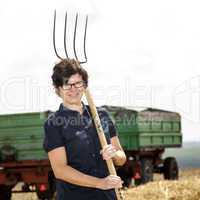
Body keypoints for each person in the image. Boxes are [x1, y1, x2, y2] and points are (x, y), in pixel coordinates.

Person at [43, 59, 127, 200]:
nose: (73, 89)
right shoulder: (53, 124)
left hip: (108, 196)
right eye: (67, 84)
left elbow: (121, 158)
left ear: (84, 86)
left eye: (77, 83)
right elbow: (60, 170)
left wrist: (114, 155)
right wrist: (100, 183)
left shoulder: (102, 116)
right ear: (58, 89)